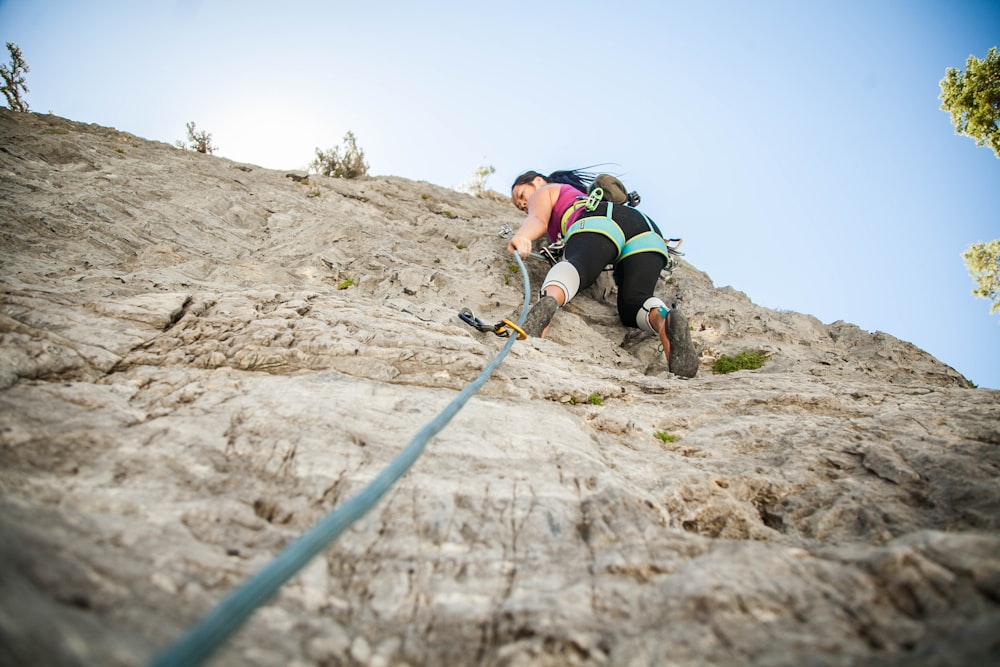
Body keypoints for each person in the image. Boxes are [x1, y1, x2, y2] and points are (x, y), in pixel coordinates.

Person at [507, 168, 699, 378]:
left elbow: (538, 219)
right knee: (634, 303)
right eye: (520, 205)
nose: (523, 205)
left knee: (576, 266)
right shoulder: (580, 193)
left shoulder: (547, 190)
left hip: (599, 221)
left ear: (537, 181)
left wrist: (522, 237)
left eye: (521, 196)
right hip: (647, 230)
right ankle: (665, 319)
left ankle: (546, 305)